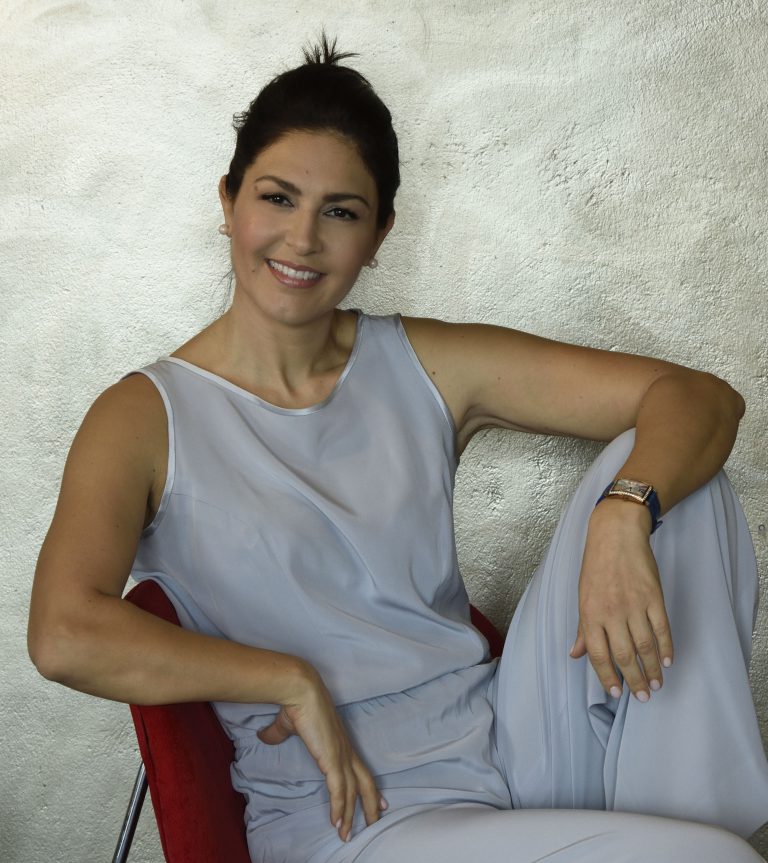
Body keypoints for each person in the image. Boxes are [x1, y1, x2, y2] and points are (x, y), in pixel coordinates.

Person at [28, 33, 768, 863]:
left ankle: (683, 826)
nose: (302, 238)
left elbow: (703, 398)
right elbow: (63, 632)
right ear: (228, 201)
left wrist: (623, 515)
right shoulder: (143, 415)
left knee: (676, 484)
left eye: (340, 211)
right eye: (277, 198)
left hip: (512, 745)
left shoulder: (427, 362)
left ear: (379, 234)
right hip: (355, 814)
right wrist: (284, 676)